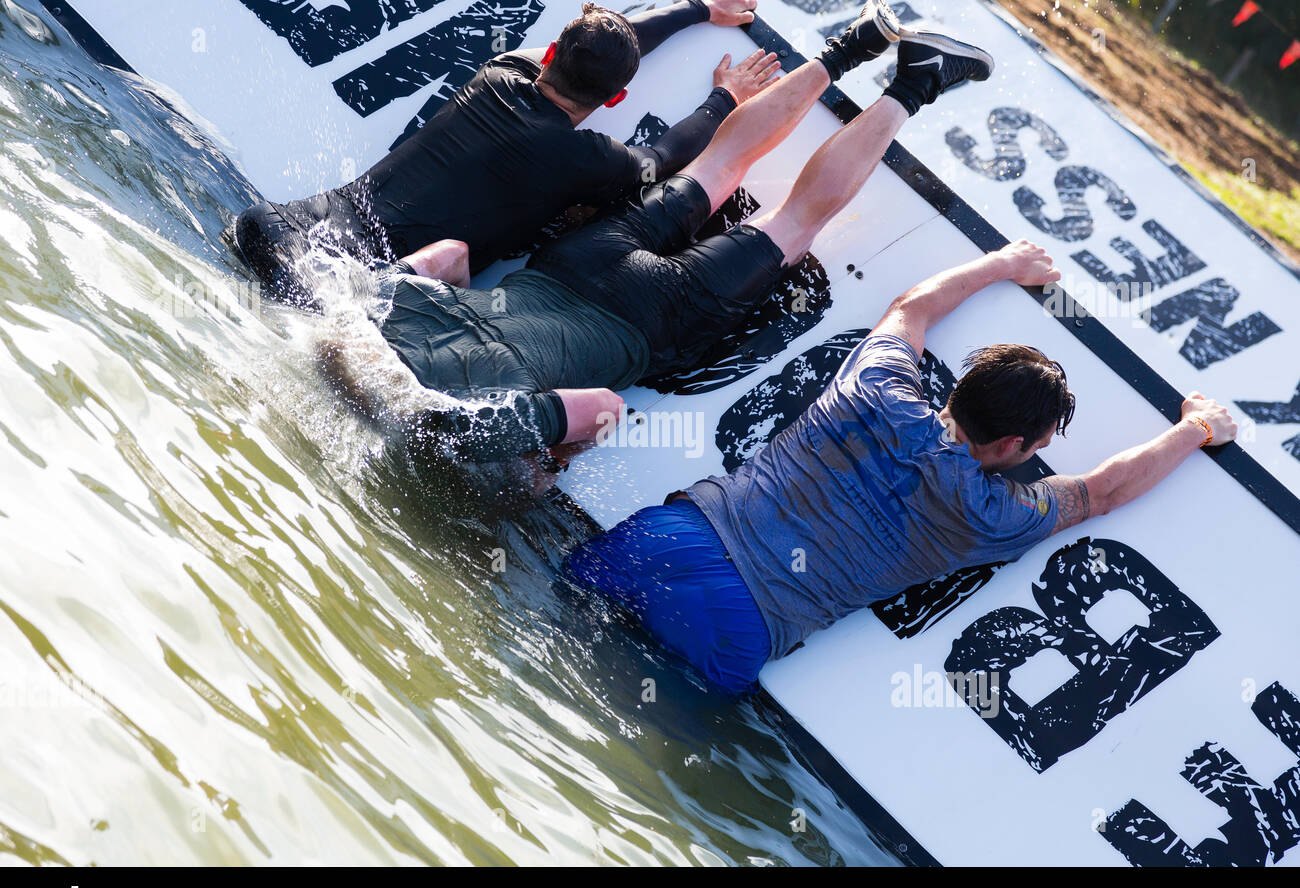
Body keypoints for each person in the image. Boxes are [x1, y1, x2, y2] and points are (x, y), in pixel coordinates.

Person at [321, 2, 994, 475]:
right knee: (717, 168)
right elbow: (449, 256)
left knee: (794, 221)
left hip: (646, 324)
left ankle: (916, 81)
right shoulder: (373, 310)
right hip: (568, 267)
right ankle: (852, 45)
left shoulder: (458, 422)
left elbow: (605, 407)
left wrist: (552, 462)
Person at [562, 237, 1241, 694]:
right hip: (747, 622)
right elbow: (1102, 493)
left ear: (956, 393)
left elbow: (910, 310)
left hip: (678, 537)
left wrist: (1003, 263)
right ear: (1016, 449)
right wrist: (1192, 429)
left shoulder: (877, 387)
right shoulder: (994, 513)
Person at [232, 0, 779, 305]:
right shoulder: (589, 159)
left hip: (276, 224)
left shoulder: (500, 73)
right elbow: (666, 153)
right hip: (344, 278)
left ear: (550, 53)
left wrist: (699, 9)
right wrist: (725, 96)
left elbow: (596, 39)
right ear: (617, 98)